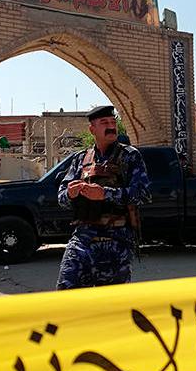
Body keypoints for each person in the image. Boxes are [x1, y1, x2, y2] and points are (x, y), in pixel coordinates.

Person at [56, 106, 151, 289]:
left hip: (115, 242)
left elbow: (143, 194)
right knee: (67, 299)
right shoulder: (81, 159)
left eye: (113, 123)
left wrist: (105, 193)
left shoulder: (130, 157)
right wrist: (70, 193)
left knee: (112, 306)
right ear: (92, 129)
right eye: (104, 123)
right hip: (81, 240)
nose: (111, 127)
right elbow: (61, 197)